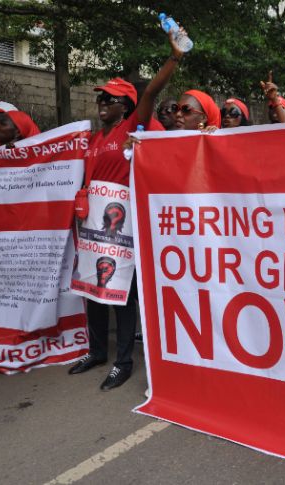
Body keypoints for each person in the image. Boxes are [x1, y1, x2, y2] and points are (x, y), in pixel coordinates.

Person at [68, 27, 188, 391]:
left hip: (122, 226)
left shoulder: (131, 129)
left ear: (127, 106)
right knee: (93, 289)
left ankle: (122, 363)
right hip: (90, 225)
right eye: (101, 97)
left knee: (122, 291)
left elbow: (151, 92)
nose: (102, 101)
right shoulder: (92, 138)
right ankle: (97, 352)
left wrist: (175, 56)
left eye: (111, 98)